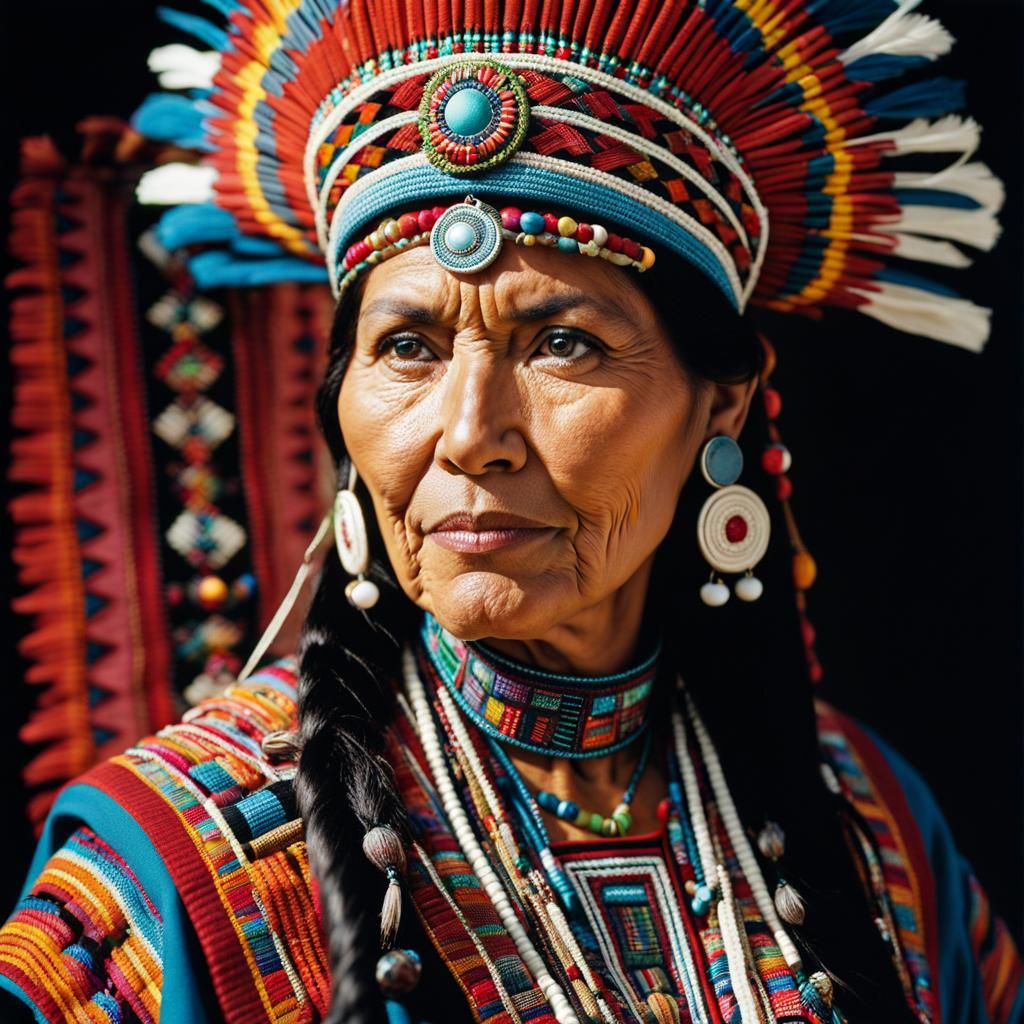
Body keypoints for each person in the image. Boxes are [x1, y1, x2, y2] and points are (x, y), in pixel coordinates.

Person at [0, 1, 1021, 1022]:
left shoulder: (870, 827)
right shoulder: (175, 878)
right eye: (408, 349)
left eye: (561, 343)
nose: (469, 432)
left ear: (721, 399)